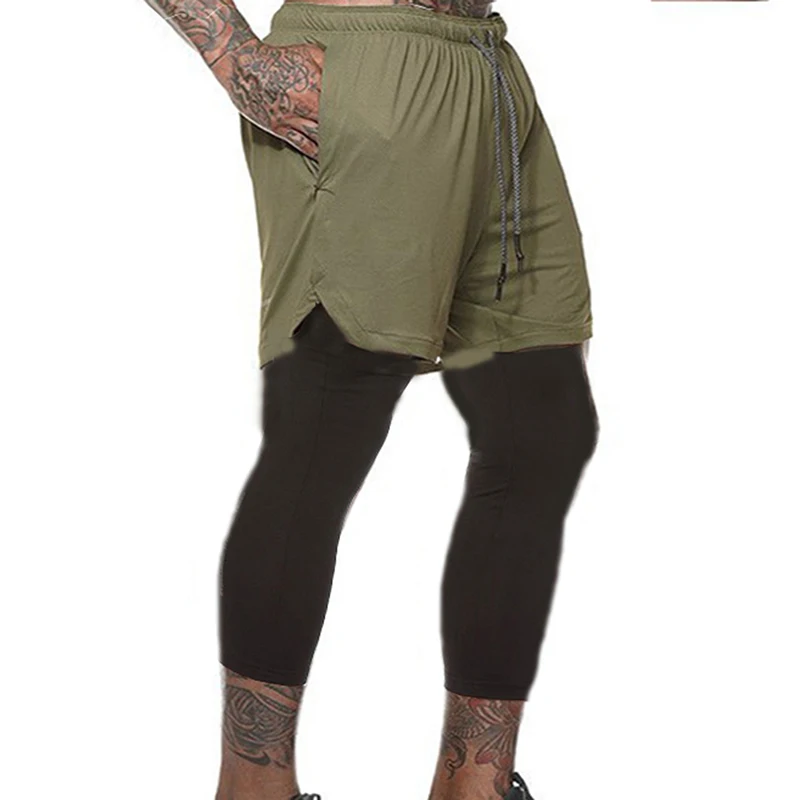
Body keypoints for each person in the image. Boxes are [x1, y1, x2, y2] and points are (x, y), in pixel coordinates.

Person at [144, 1, 599, 799]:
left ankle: (473, 786)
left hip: (488, 72)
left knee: (539, 425)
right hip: (368, 70)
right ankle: (252, 791)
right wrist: (236, 53)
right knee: (327, 423)